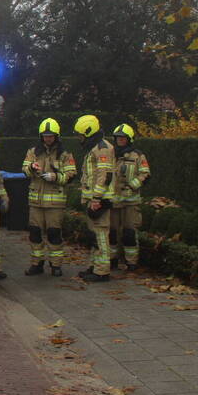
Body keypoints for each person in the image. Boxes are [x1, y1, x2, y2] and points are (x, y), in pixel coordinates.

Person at [21, 118, 77, 277]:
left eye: (51, 136)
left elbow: (71, 174)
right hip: (36, 202)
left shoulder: (65, 154)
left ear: (57, 136)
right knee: (35, 234)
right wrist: (31, 167)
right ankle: (36, 264)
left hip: (55, 203)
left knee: (54, 234)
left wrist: (56, 177)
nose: (48, 138)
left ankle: (56, 265)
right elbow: (24, 170)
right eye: (45, 136)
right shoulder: (33, 152)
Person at [74, 114, 116, 283]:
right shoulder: (95, 148)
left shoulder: (102, 148)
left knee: (100, 236)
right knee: (94, 236)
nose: (79, 138)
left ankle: (102, 271)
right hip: (94, 200)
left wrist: (97, 198)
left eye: (81, 135)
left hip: (100, 201)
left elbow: (104, 176)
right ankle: (94, 266)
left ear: (88, 132)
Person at [111, 124, 150, 271]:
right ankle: (111, 260)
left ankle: (131, 262)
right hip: (113, 202)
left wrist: (132, 186)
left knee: (129, 233)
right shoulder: (110, 154)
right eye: (118, 138)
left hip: (131, 202)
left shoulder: (138, 156)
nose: (120, 140)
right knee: (112, 233)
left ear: (129, 139)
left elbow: (145, 174)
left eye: (123, 138)